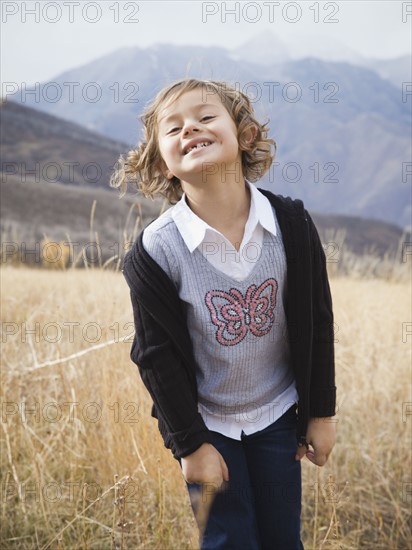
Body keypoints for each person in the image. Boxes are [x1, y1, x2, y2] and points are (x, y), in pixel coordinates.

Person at [111, 78, 337, 550]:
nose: (190, 128)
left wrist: (319, 411)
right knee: (229, 540)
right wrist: (190, 446)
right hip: (208, 423)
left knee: (281, 538)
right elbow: (155, 357)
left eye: (205, 116)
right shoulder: (157, 251)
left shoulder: (290, 224)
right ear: (161, 163)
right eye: (172, 129)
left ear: (245, 135)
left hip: (277, 414)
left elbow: (317, 320)